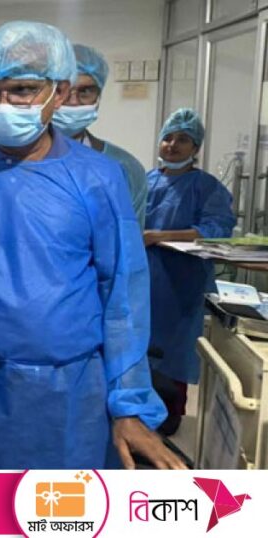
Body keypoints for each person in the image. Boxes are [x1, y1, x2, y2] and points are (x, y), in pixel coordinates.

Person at [0, 21, 186, 470]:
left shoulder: (98, 178)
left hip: (70, 395)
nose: (4, 104)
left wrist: (128, 404)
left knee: (61, 504)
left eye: (22, 90)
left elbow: (122, 296)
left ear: (58, 93)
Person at [145, 108, 236, 435]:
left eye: (182, 139)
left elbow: (216, 230)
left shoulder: (206, 187)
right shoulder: (146, 181)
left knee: (174, 348)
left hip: (181, 284)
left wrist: (159, 236)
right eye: (168, 138)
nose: (172, 145)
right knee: (137, 345)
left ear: (195, 148)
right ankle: (137, 411)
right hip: (143, 279)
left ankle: (171, 412)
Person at [53, 44, 148, 227]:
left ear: (98, 97)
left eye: (85, 91)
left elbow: (129, 239)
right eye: (62, 91)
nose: (73, 102)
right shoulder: (12, 162)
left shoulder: (125, 168)